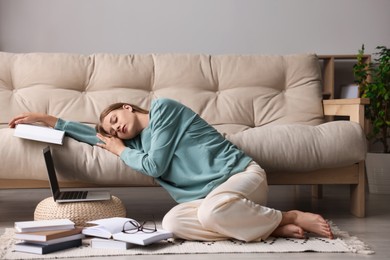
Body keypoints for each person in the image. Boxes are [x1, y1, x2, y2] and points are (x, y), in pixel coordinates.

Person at [9, 98, 333, 241]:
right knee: (172, 223)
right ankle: (266, 227)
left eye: (114, 119)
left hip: (240, 178)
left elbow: (156, 165)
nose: (115, 128)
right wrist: (46, 119)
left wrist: (119, 149)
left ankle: (285, 216)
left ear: (127, 108)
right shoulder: (134, 147)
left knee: (211, 214)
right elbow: (93, 137)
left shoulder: (164, 110)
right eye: (112, 130)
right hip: (207, 201)